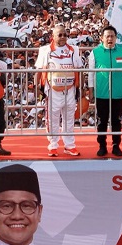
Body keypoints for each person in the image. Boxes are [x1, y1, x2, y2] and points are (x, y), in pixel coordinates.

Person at [34, 25, 84, 157]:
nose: (62, 37)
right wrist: (36, 87)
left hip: (70, 89)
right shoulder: (45, 50)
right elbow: (38, 70)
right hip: (52, 90)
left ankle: (69, 145)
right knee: (52, 118)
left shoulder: (74, 49)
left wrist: (80, 88)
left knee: (69, 118)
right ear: (53, 36)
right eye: (59, 35)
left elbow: (79, 69)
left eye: (65, 35)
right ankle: (53, 145)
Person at [88, 25, 122, 157]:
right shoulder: (95, 52)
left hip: (117, 93)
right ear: (102, 38)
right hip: (102, 93)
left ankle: (116, 145)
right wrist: (91, 90)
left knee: (117, 120)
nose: (110, 38)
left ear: (116, 38)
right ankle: (102, 145)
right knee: (102, 121)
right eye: (107, 36)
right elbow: (91, 74)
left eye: (112, 36)